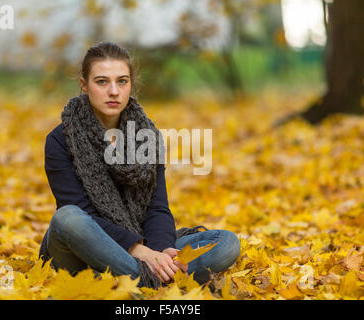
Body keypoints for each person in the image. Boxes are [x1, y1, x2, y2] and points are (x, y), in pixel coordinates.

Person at [38, 41, 241, 289]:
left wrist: (162, 251)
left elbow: (157, 208)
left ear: (131, 84)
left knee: (226, 243)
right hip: (81, 253)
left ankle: (135, 281)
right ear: (84, 85)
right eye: (102, 82)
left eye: (122, 81)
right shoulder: (60, 140)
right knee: (67, 218)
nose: (114, 91)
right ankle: (157, 282)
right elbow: (82, 214)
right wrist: (140, 252)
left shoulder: (148, 136)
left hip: (143, 244)